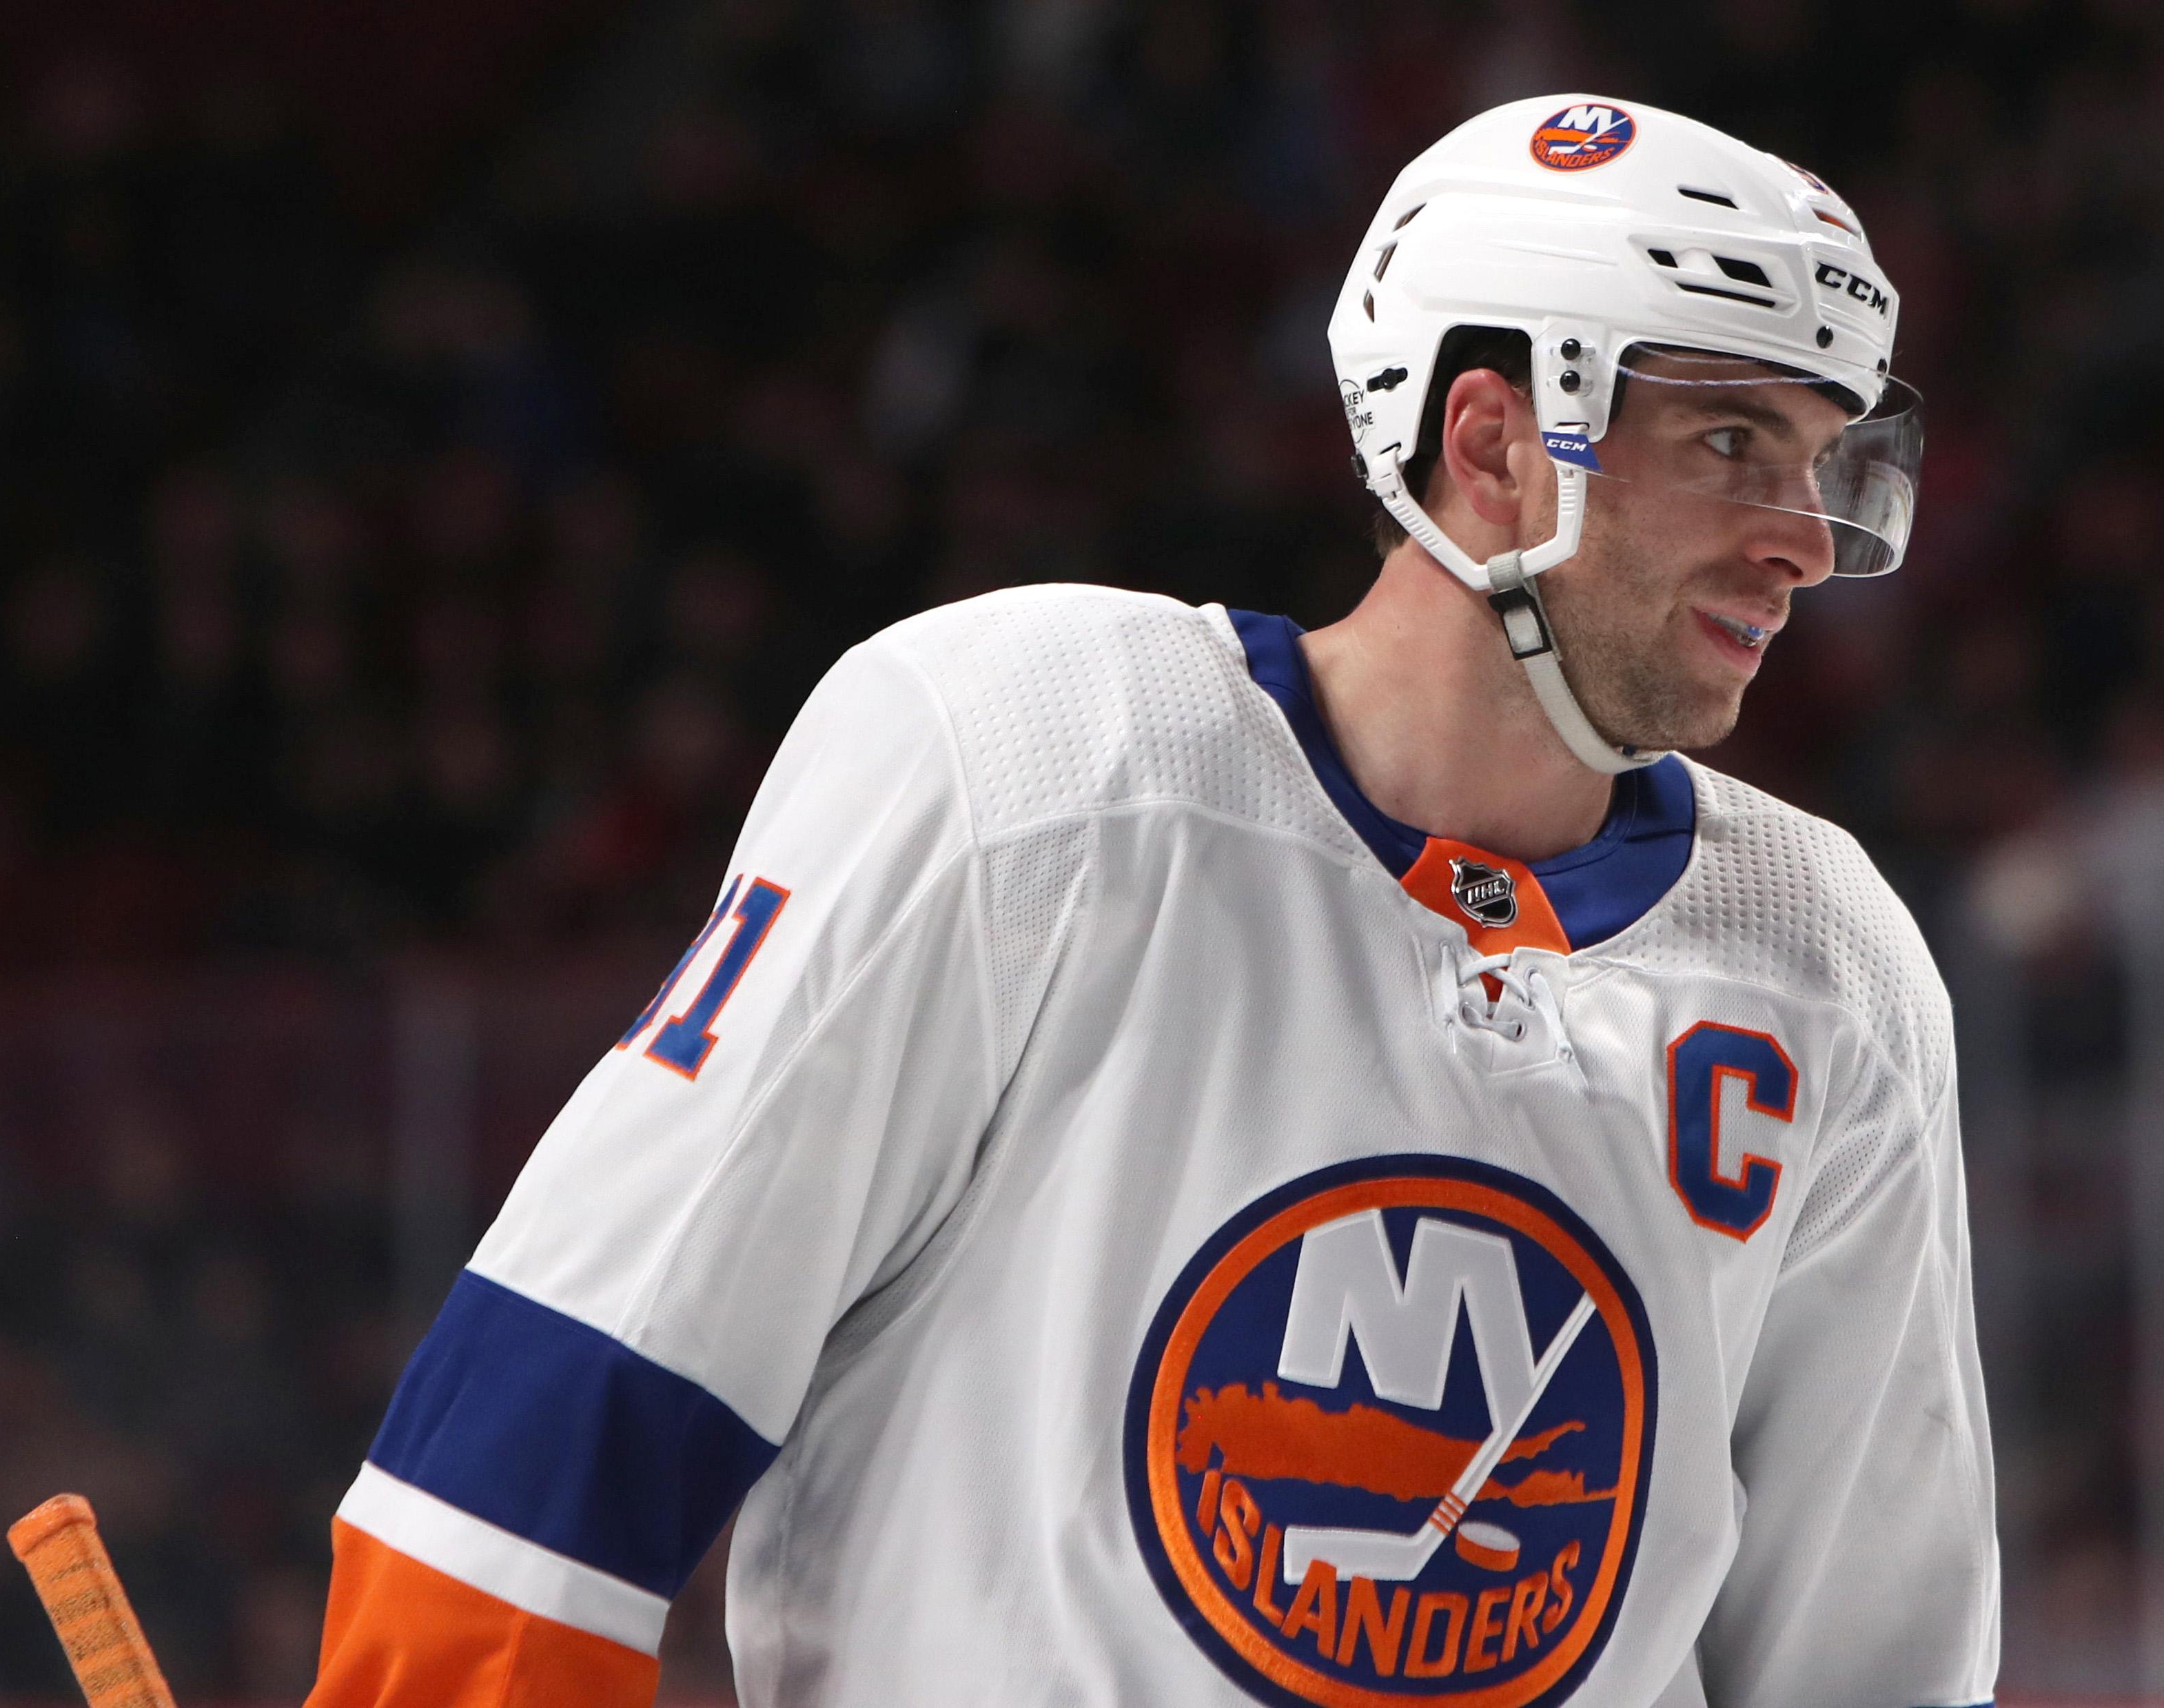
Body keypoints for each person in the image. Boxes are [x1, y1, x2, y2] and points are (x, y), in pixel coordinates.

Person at [304, 96, 1996, 1708]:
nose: (1805, 539)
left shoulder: (1820, 963)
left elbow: (1877, 1655)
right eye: (1729, 441)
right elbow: (593, 1378)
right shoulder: (1035, 762)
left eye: (1825, 459)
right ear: (1492, 441)